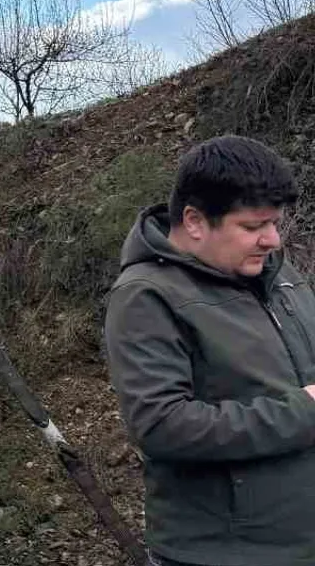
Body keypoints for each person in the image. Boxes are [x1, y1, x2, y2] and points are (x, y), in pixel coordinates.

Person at [105, 135, 315, 566]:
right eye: (253, 227)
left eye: (274, 223)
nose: (273, 239)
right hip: (227, 552)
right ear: (196, 221)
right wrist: (304, 411)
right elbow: (163, 426)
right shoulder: (146, 296)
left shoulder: (278, 275)